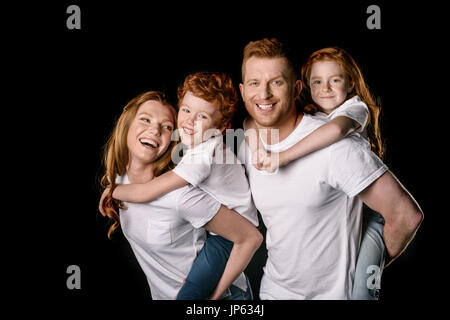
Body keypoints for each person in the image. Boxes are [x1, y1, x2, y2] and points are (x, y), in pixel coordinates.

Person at [237, 38, 423, 299]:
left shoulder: (336, 147)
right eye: (255, 83)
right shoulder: (247, 145)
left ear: (296, 88)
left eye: (276, 82)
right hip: (273, 292)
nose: (264, 94)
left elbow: (405, 215)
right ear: (243, 91)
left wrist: (366, 274)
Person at [104, 72, 260, 300]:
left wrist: (111, 192)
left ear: (220, 128)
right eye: (186, 111)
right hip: (222, 235)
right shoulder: (123, 176)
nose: (188, 121)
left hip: (230, 241)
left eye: (166, 126)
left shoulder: (195, 169)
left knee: (189, 296)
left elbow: (150, 192)